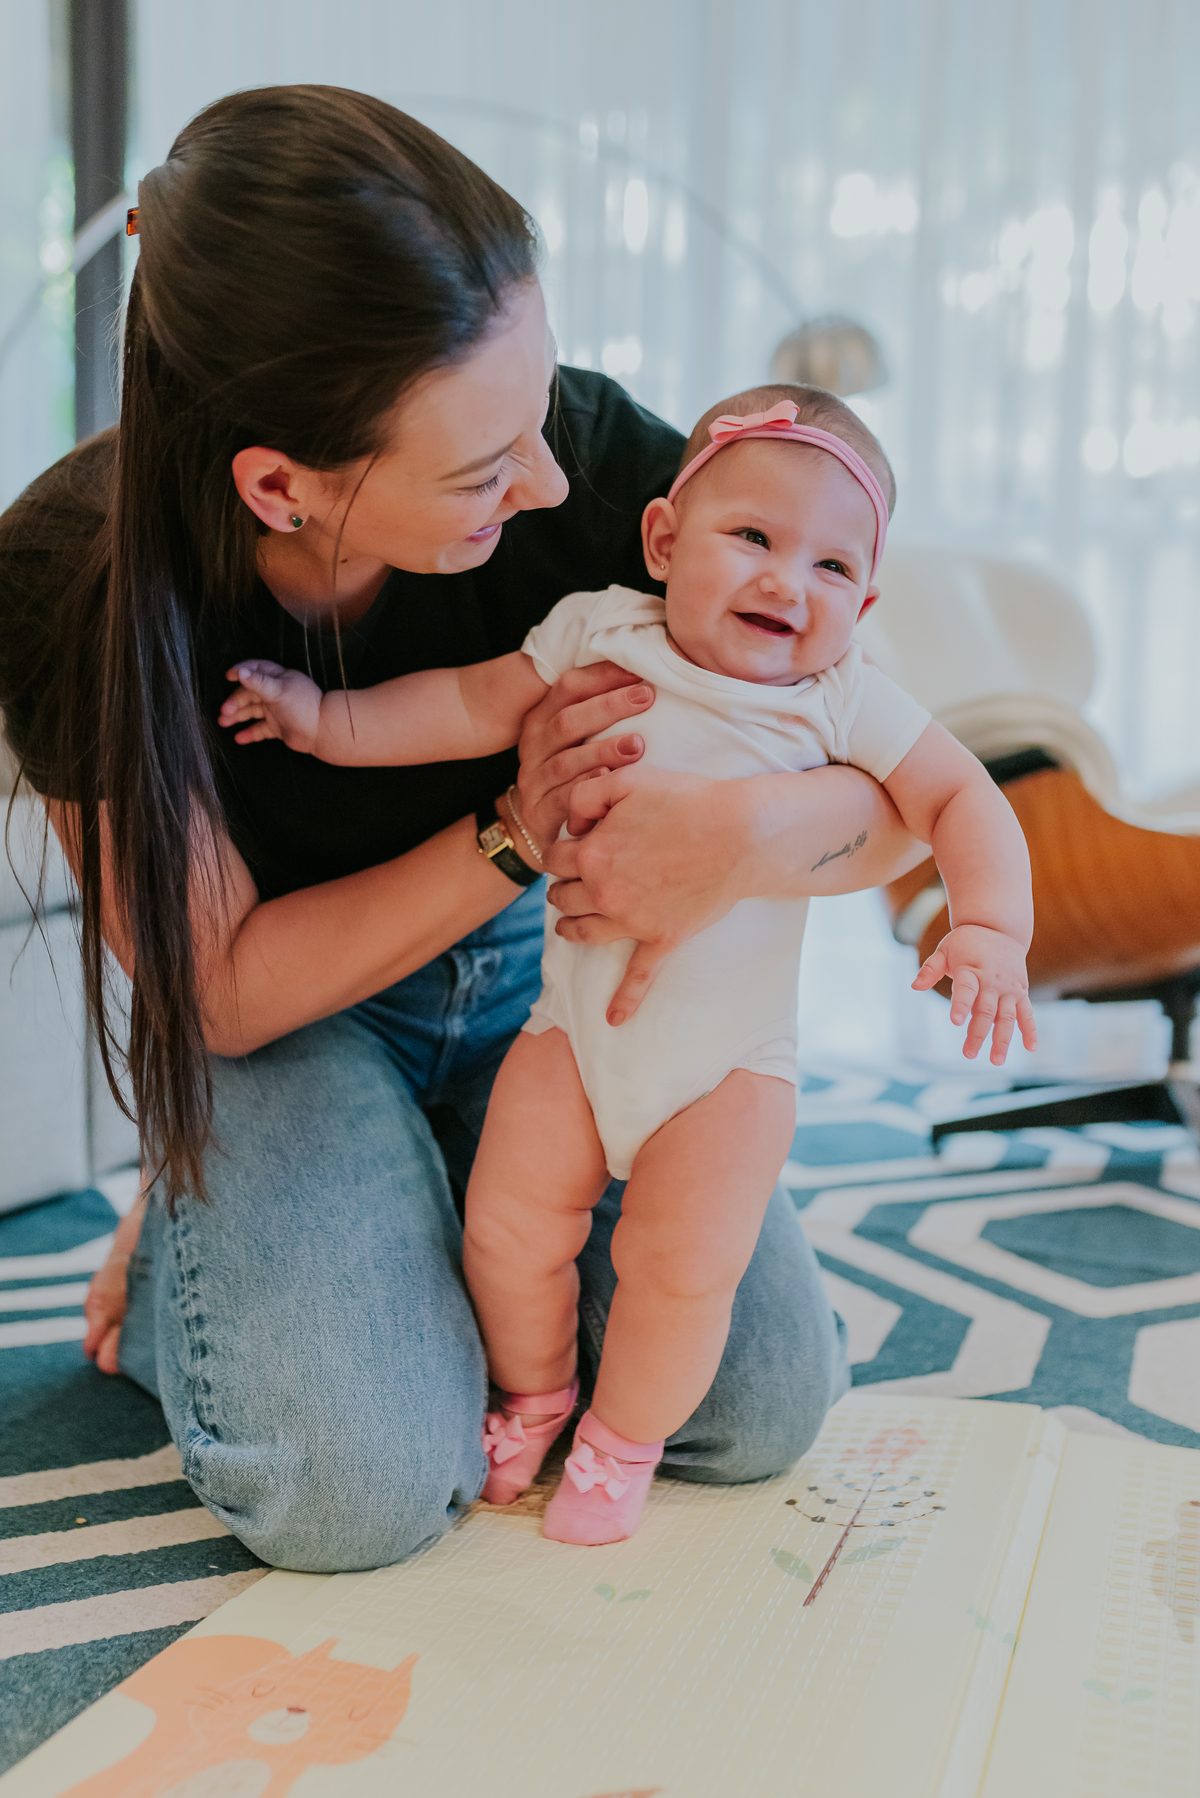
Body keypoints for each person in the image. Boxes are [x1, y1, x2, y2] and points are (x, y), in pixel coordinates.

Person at [0, 87, 927, 1576]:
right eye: (482, 471)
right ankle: (211, 1218)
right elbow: (222, 988)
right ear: (281, 486)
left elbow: (905, 793)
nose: (554, 485)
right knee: (354, 1489)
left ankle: (379, 1206)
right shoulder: (76, 584)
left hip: (549, 986)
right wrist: (514, 823)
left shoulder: (584, 454)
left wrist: (741, 836)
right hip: (292, 1033)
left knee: (756, 1406)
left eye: (538, 410)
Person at [218, 385, 1037, 1546]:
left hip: (726, 1074)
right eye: (752, 538)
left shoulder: (840, 700)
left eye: (831, 568)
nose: (785, 583)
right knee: (509, 1228)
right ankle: (540, 1393)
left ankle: (622, 1439)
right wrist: (323, 717)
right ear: (664, 539)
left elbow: (960, 797)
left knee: (682, 1268)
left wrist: (990, 926)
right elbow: (460, 705)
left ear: (865, 599)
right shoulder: (598, 627)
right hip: (564, 1032)